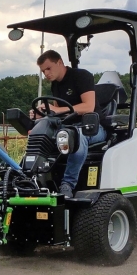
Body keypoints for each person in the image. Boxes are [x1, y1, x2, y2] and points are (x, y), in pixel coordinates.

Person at [34, 49, 106, 198]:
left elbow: (88, 107)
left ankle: (67, 184)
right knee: (42, 135)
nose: (46, 74)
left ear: (59, 62)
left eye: (48, 68)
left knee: (75, 136)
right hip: (69, 127)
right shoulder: (55, 85)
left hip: (92, 127)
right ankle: (32, 179)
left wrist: (57, 110)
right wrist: (42, 115)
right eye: (43, 71)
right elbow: (58, 112)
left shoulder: (81, 76)